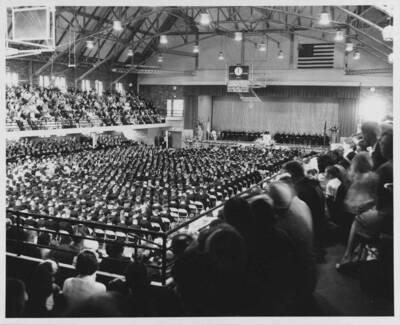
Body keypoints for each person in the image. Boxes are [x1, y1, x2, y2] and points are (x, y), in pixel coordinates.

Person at [283, 161, 326, 260]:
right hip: (318, 224)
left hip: (311, 230)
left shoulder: (299, 190)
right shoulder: (312, 183)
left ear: (291, 174)